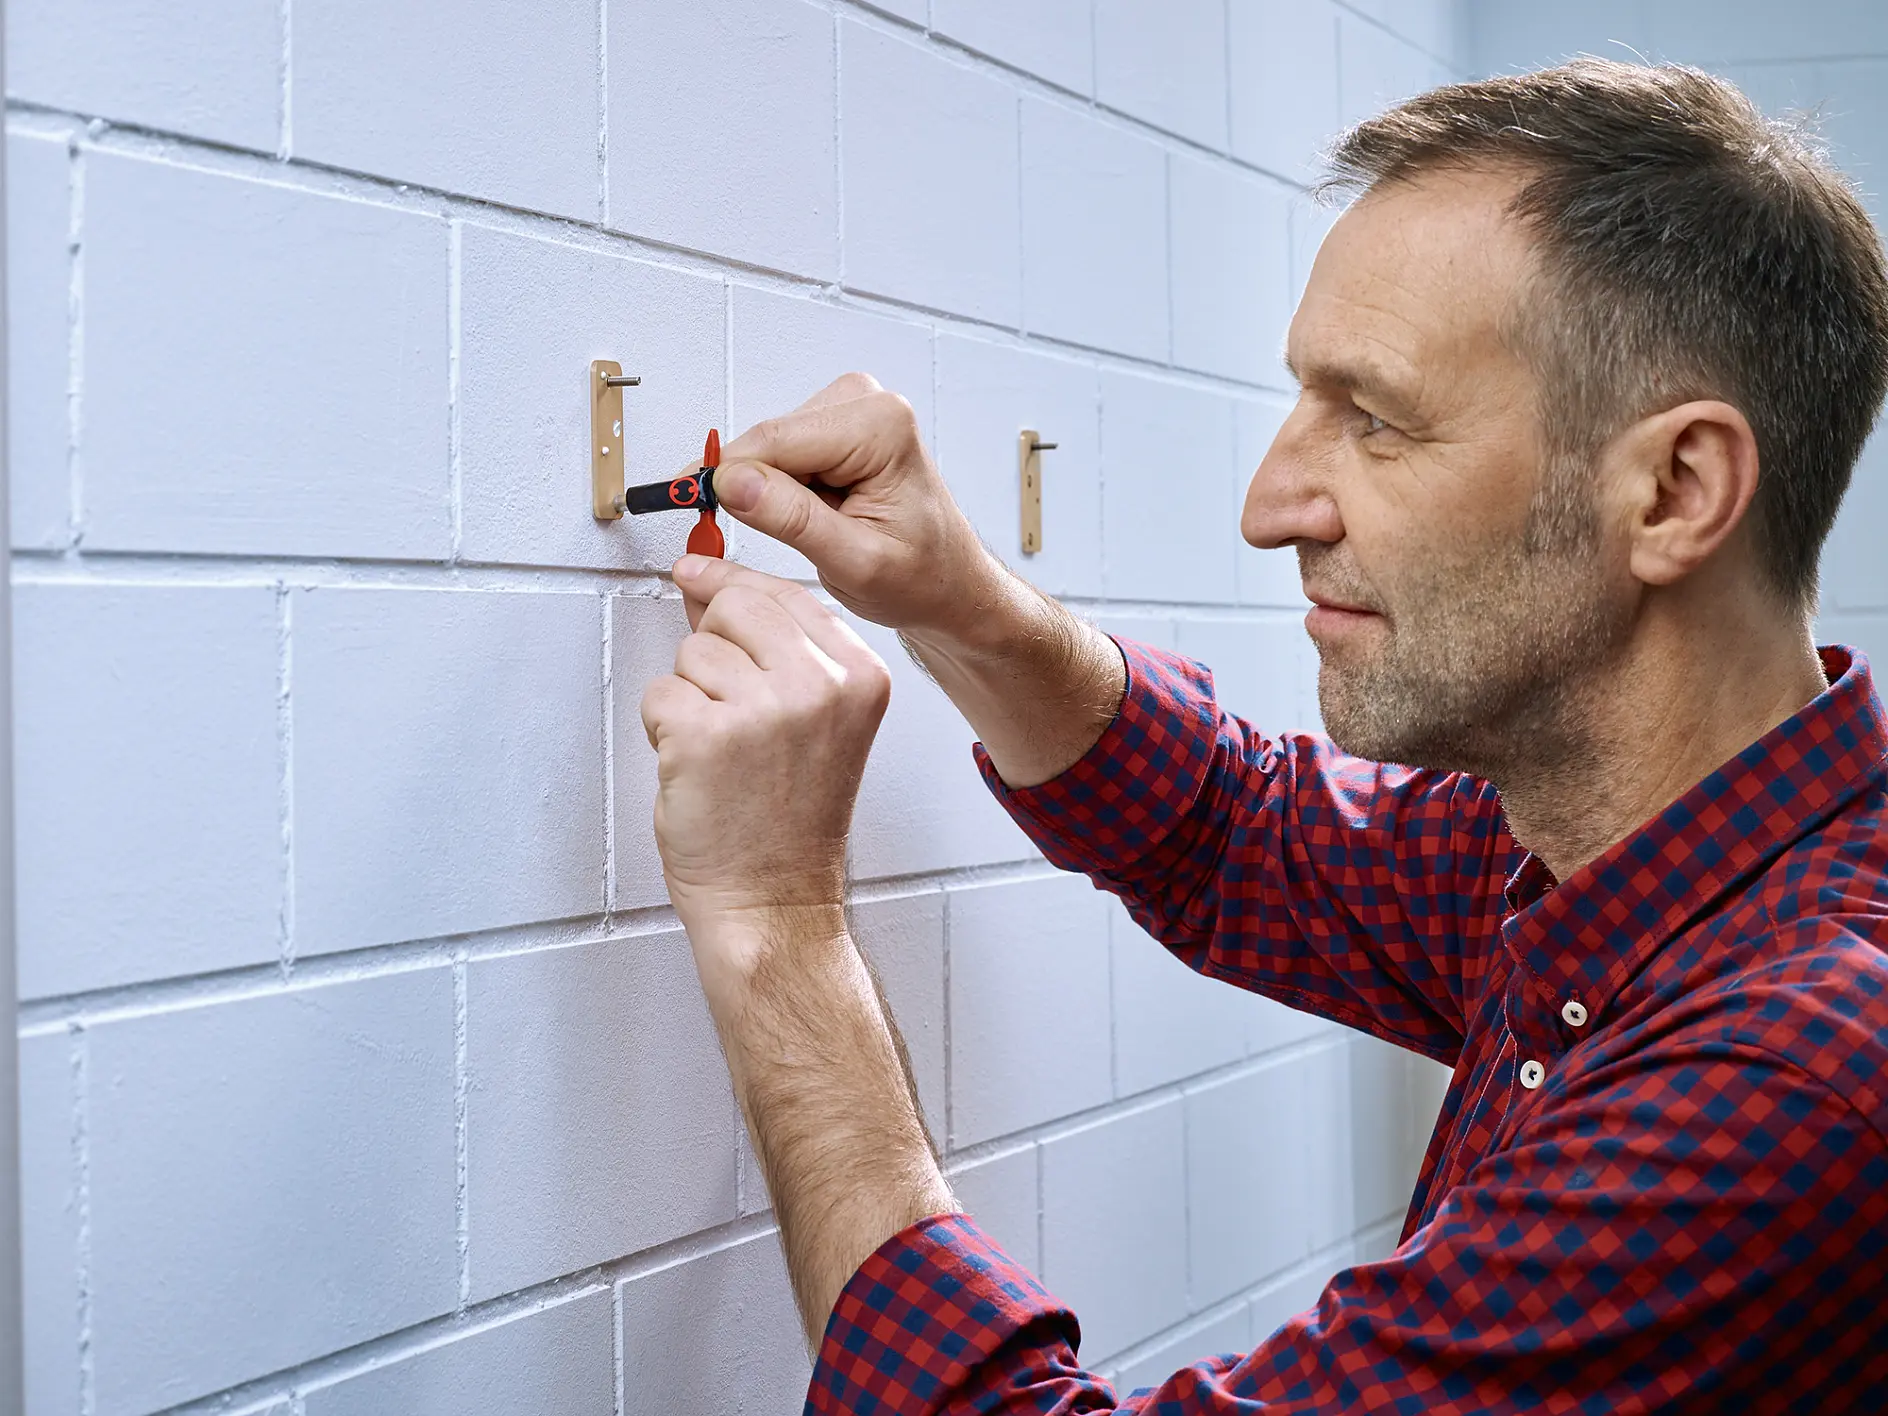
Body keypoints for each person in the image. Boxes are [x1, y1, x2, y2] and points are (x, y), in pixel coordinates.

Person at [636, 60, 1888, 1413]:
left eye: (1376, 421)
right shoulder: (1610, 842)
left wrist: (778, 927)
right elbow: (1229, 829)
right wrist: (964, 605)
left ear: (1674, 491)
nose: (1271, 503)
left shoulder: (1787, 1083)